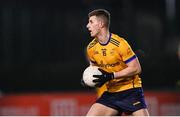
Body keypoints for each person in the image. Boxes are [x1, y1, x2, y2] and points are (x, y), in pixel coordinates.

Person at [84, 9, 149, 116]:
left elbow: (136, 68)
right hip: (111, 94)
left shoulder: (120, 44)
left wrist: (112, 75)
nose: (87, 26)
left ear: (101, 24)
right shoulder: (91, 48)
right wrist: (88, 78)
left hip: (130, 91)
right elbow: (93, 69)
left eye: (91, 22)